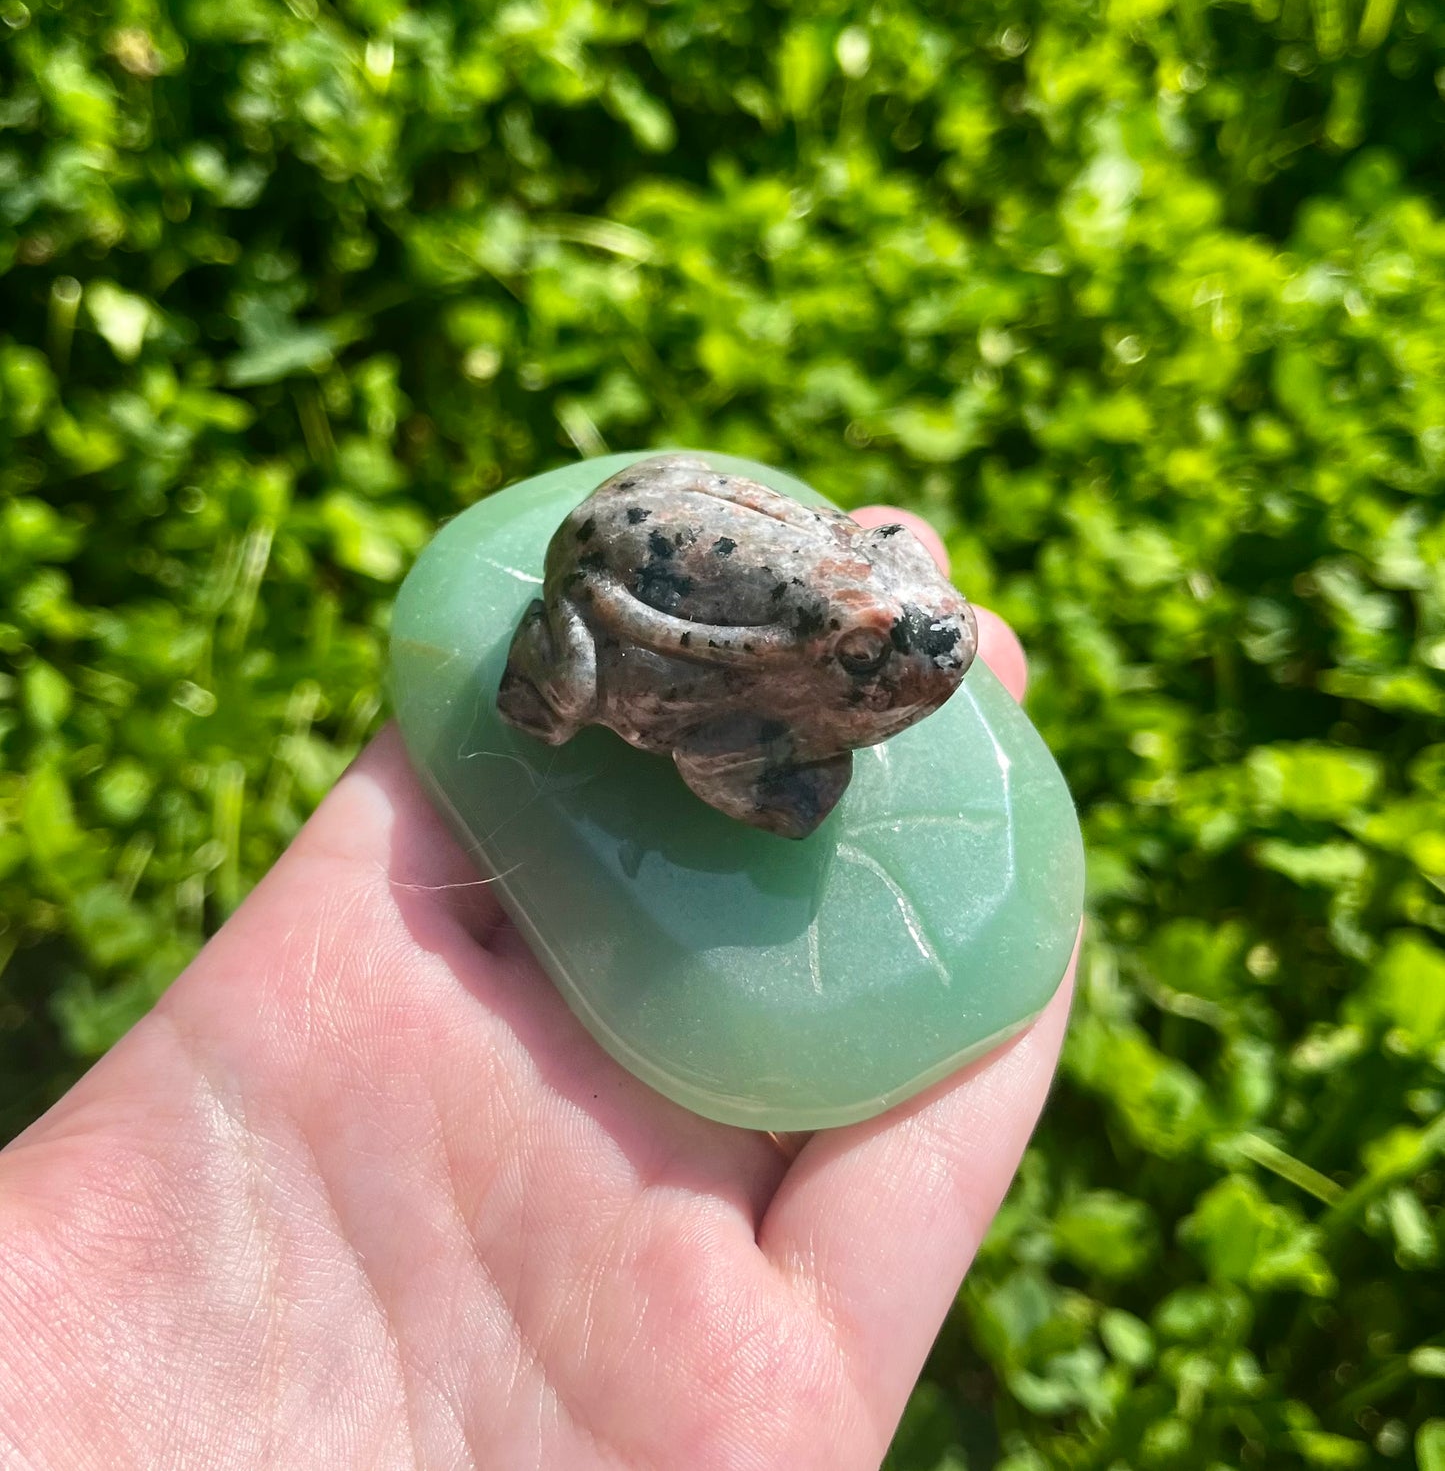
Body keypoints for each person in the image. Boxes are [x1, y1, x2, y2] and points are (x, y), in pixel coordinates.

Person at [0, 506, 1074, 1470]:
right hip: (607, 600)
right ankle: (557, 698)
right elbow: (711, 751)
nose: (919, 672)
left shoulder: (825, 624)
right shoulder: (744, 690)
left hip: (703, 547)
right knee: (566, 691)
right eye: (861, 660)